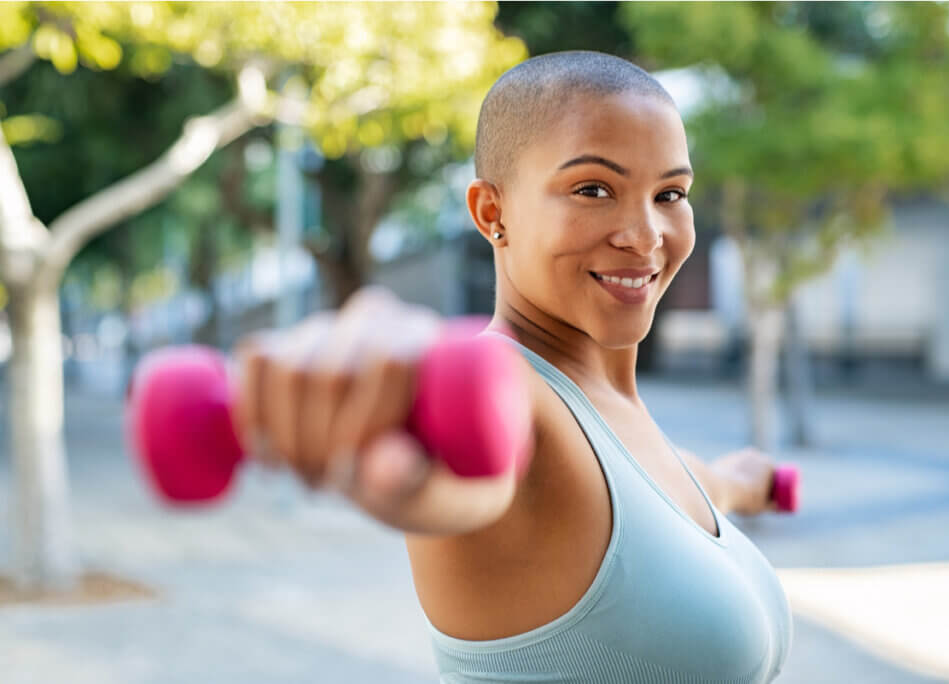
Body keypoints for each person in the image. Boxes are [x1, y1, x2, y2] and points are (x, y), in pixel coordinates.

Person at [235, 51, 792, 683]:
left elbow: (667, 489)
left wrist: (749, 484)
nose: (644, 234)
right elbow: (471, 467)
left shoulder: (614, 408)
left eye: (670, 194)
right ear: (491, 213)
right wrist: (396, 417)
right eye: (593, 189)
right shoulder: (511, 395)